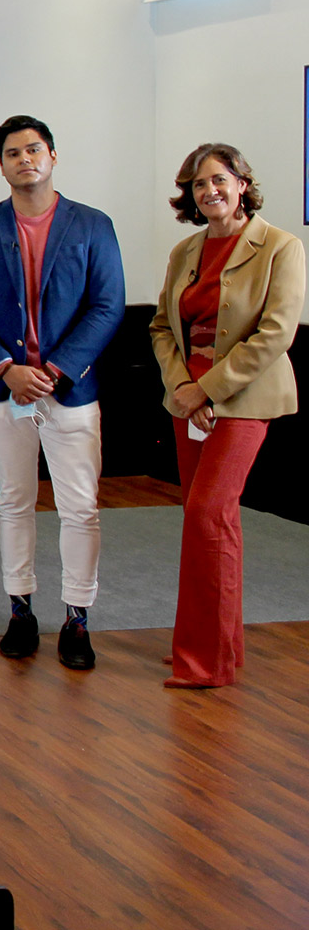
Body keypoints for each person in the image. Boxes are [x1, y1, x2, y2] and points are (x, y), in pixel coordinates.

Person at [0, 116, 125, 671]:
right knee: (13, 501)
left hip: (70, 390)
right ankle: (20, 612)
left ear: (52, 155)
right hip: (3, 390)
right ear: (1, 164)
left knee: (80, 508)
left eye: (33, 150)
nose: (24, 159)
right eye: (12, 153)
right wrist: (7, 368)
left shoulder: (93, 225)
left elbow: (108, 305)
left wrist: (55, 369)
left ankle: (77, 619)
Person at [148, 144, 303, 689]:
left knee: (208, 515)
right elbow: (162, 327)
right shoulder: (185, 250)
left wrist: (208, 390)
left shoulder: (281, 246)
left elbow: (275, 334)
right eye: (198, 184)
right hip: (187, 400)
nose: (209, 190)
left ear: (242, 184)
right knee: (214, 520)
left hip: (242, 400)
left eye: (219, 179)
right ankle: (220, 645)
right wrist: (183, 388)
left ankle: (204, 661)